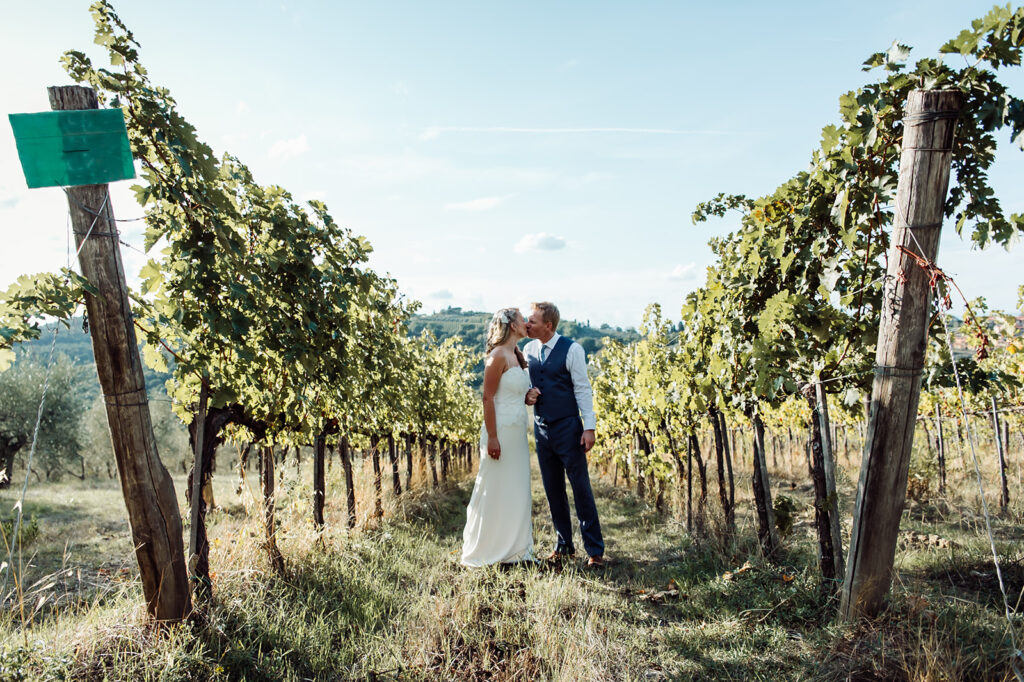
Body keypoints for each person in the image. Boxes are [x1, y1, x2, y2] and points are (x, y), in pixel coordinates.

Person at [523, 301, 605, 568]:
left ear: (548, 325)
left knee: (581, 488)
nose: (527, 324)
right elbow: (529, 386)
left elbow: (582, 388)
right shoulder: (528, 350)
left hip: (568, 427)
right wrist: (528, 394)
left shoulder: (573, 349)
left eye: (532, 321)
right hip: (542, 429)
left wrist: (589, 427)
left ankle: (594, 550)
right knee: (552, 489)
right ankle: (564, 545)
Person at [460, 307, 535, 566]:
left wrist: (528, 397)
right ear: (512, 325)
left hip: (517, 433)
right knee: (495, 486)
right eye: (522, 318)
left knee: (516, 487)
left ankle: (515, 551)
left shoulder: (517, 355)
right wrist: (492, 437)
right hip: (500, 431)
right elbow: (488, 397)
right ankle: (489, 549)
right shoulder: (497, 355)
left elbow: (512, 393)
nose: (526, 322)